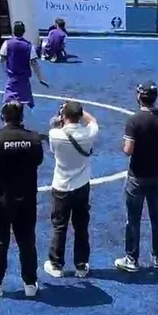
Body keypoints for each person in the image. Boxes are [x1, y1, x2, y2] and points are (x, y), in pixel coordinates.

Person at [0, 102, 45, 297]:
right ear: (22, 118)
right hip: (26, 199)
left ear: (2, 117)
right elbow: (38, 160)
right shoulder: (34, 138)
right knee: (27, 241)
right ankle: (30, 283)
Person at [114, 82, 158, 273]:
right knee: (157, 216)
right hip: (157, 174)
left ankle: (132, 259)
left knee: (133, 219)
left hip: (137, 175)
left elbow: (128, 150)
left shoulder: (134, 121)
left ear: (139, 97)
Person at [45, 102, 98, 278]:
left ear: (64, 116)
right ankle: (81, 264)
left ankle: (56, 264)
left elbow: (53, 145)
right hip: (82, 186)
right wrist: (80, 112)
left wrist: (61, 117)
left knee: (59, 226)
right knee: (81, 226)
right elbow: (92, 121)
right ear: (79, 115)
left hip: (61, 186)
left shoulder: (55, 135)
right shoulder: (89, 133)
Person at [0, 21, 49, 107]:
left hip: (12, 79)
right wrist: (40, 78)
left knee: (8, 102)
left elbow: (2, 58)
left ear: (13, 31)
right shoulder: (29, 46)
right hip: (24, 80)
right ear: (24, 31)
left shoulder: (7, 43)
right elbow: (34, 63)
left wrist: (6, 70)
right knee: (26, 102)